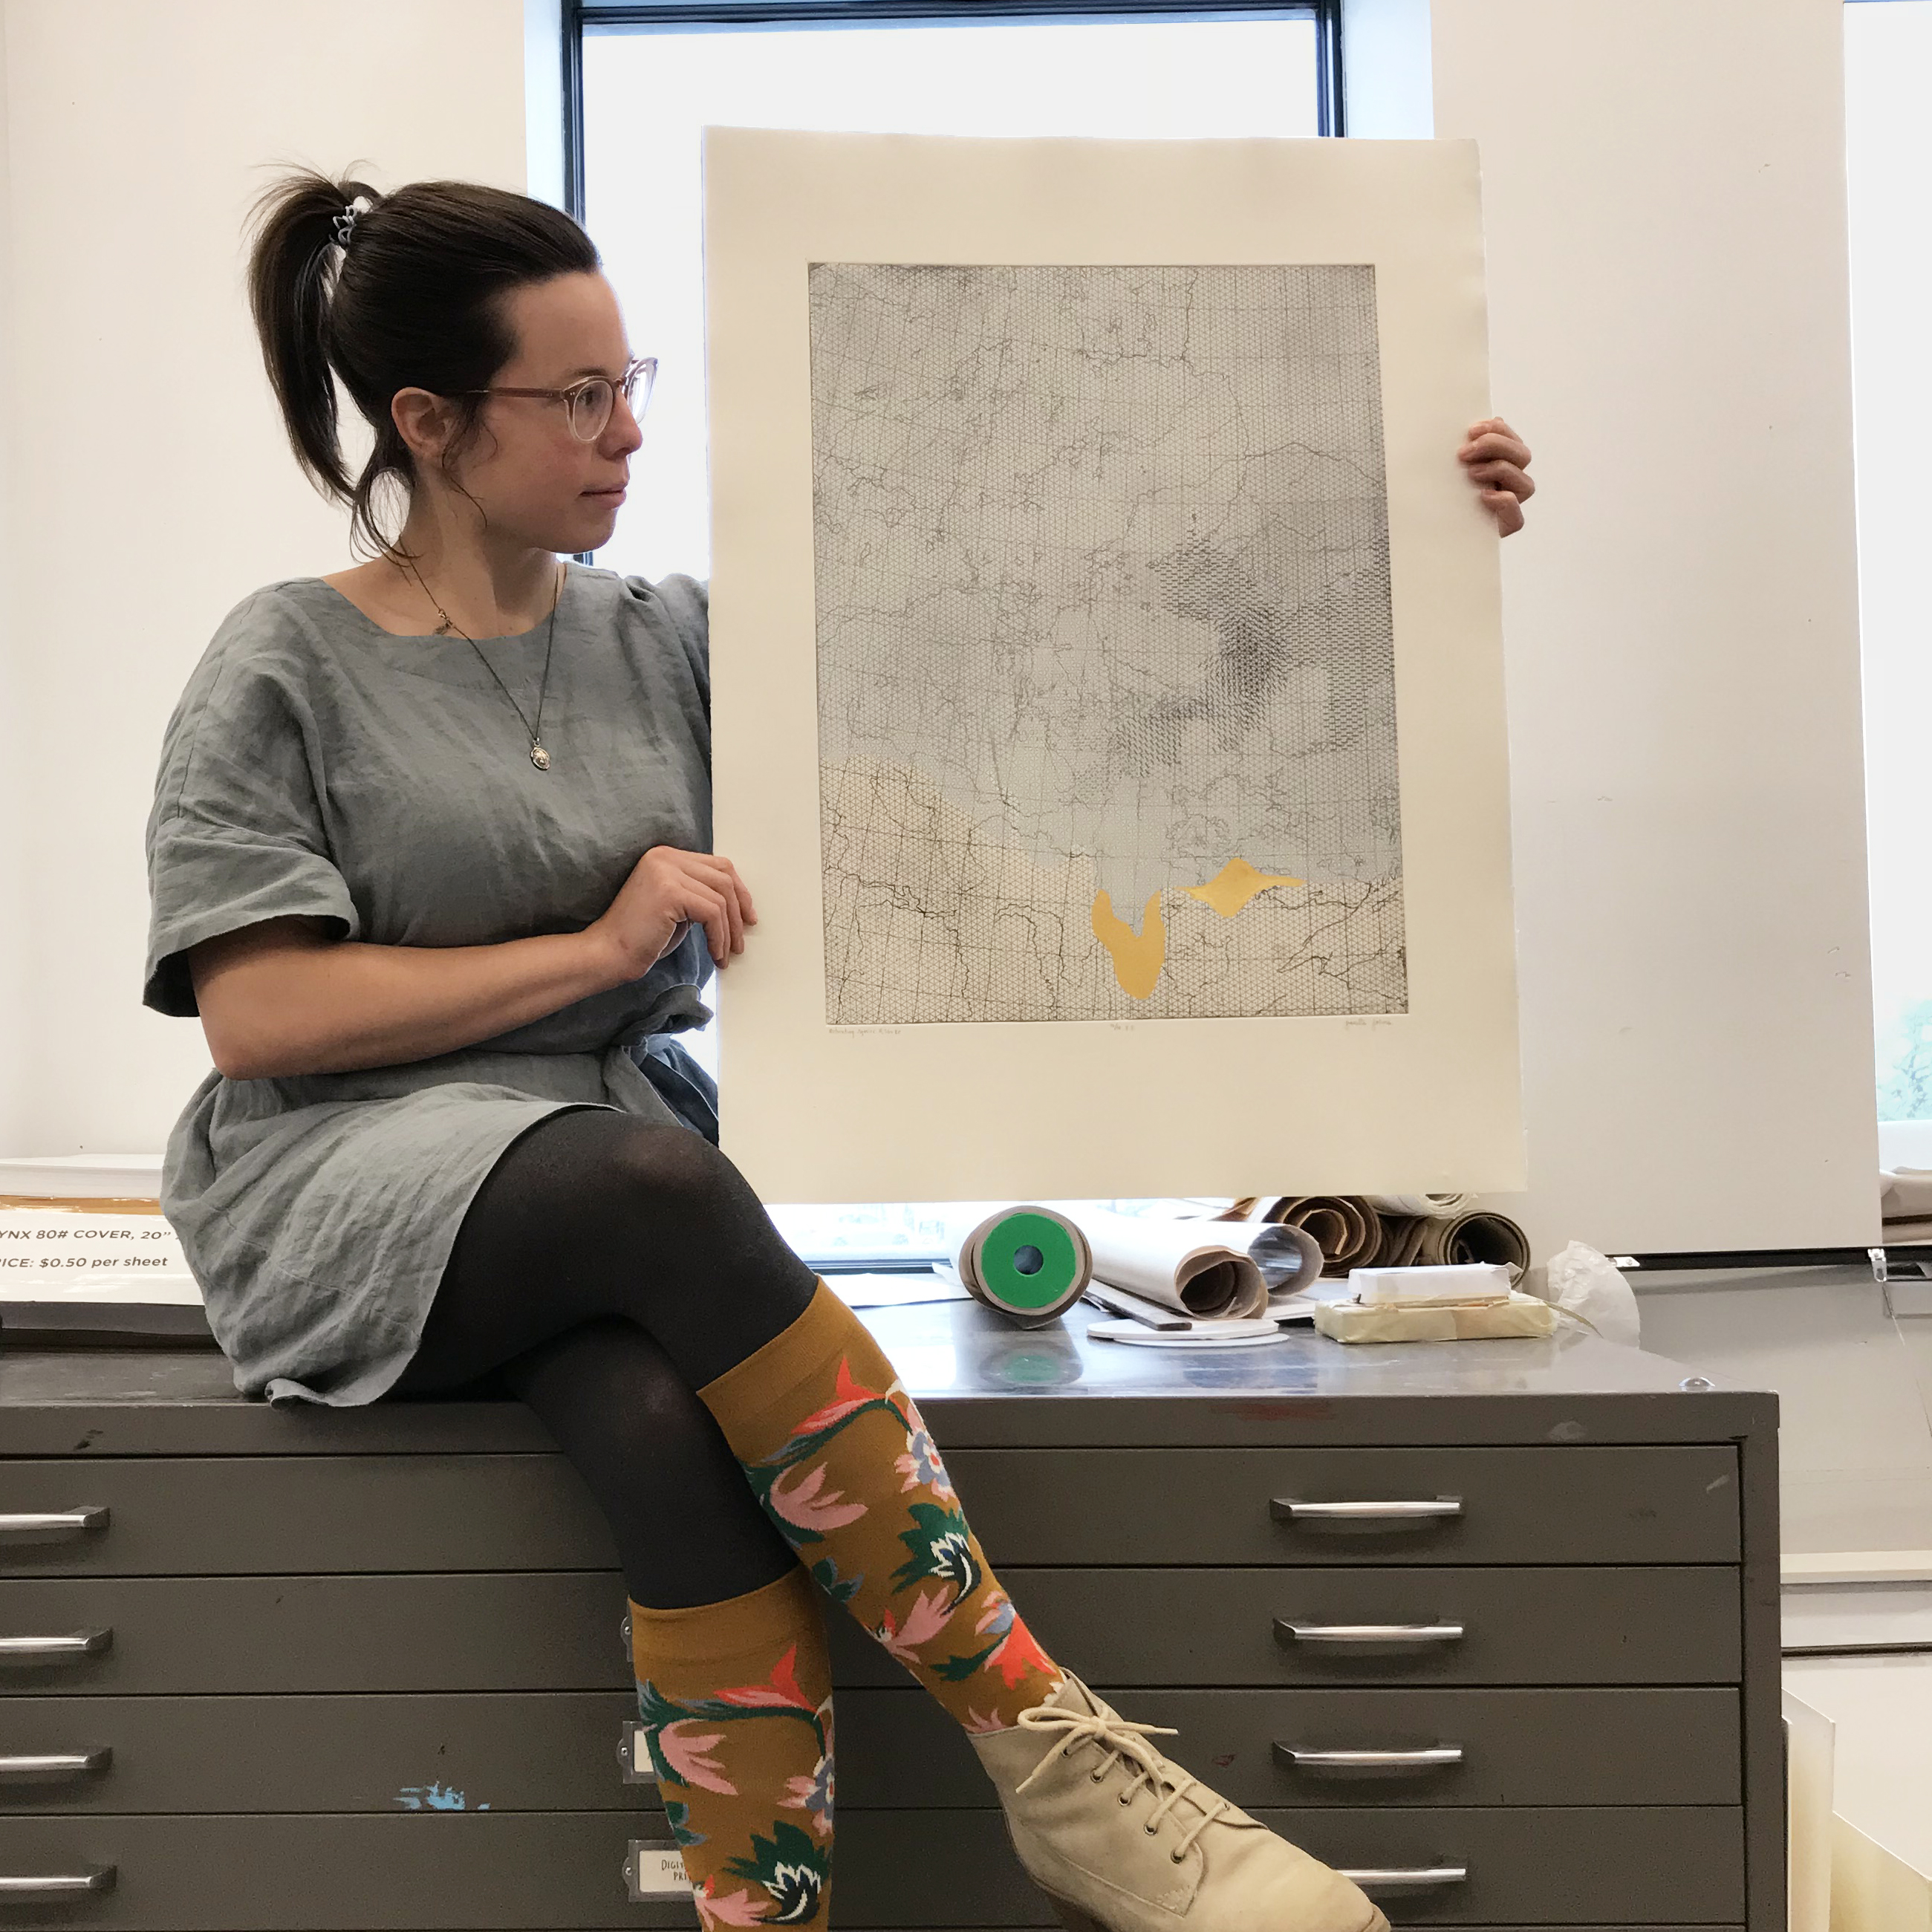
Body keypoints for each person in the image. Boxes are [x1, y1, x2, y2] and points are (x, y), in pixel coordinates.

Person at [143, 172, 1535, 1932]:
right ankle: (1050, 1745)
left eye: (631, 381)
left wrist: (1396, 509)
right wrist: (595, 950)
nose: (626, 431)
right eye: (577, 397)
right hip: (346, 1177)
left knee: (652, 1419)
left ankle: (764, 1920)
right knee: (657, 1184)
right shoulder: (283, 656)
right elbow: (260, 1012)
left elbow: (1047, 630)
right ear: (428, 421)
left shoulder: (662, 637)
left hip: (600, 1177)